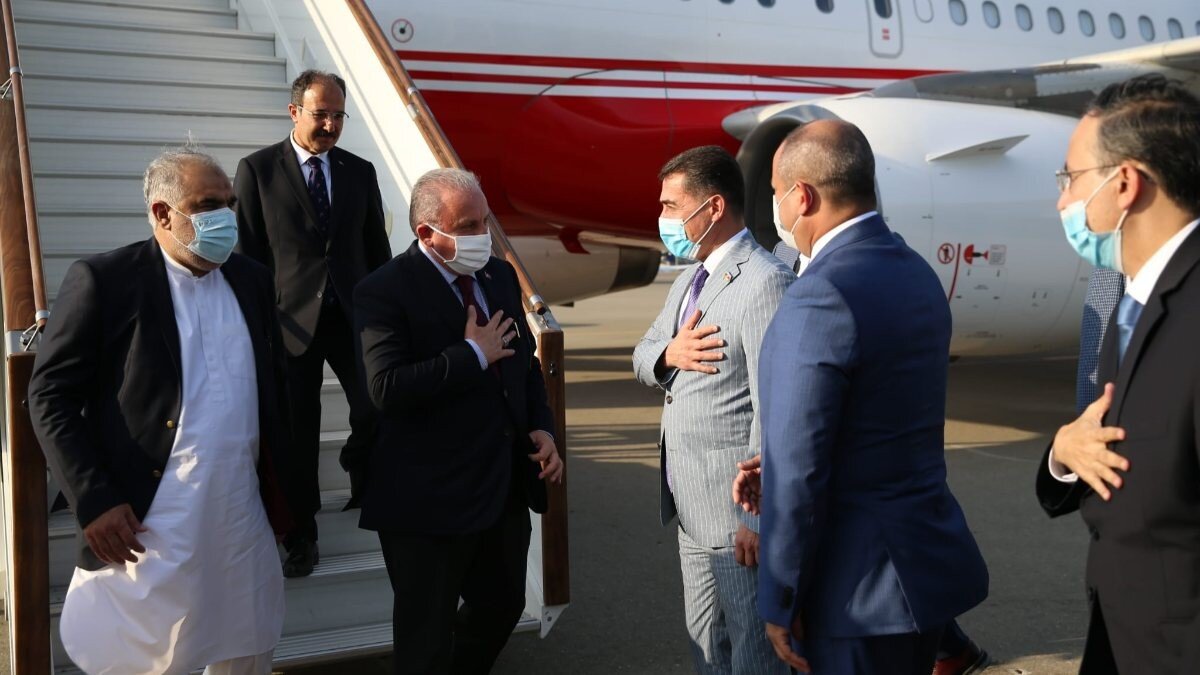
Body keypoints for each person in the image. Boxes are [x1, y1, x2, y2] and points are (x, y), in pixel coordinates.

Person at [27, 147, 293, 674]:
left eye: (229, 204)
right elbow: (50, 396)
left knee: (245, 643)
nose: (225, 217)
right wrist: (94, 499)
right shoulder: (106, 280)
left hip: (239, 513)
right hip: (149, 520)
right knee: (145, 656)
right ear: (162, 213)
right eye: (207, 204)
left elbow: (274, 391)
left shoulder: (252, 280)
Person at [739, 120, 988, 673]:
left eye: (777, 193)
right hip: (921, 572)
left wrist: (780, 598)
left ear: (802, 197)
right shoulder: (916, 272)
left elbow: (801, 470)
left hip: (855, 592)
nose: (776, 206)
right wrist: (774, 465)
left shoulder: (819, 295)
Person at [354, 168, 563, 674]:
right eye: (468, 226)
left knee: (503, 605)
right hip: (427, 498)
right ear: (427, 233)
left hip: (500, 487)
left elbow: (524, 367)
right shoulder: (383, 290)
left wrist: (542, 426)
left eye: (485, 221)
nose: (482, 235)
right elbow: (386, 388)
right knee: (425, 640)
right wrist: (471, 355)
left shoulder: (498, 276)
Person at [1036, 74, 1200, 674]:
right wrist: (1062, 452)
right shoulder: (1130, 303)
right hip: (1120, 633)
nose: (1063, 202)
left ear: (1125, 182)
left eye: (1071, 179)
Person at [632, 146, 793, 674]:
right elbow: (642, 354)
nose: (663, 219)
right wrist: (668, 354)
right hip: (689, 507)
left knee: (753, 652)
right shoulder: (687, 280)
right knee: (706, 643)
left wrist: (757, 516)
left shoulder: (765, 281)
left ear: (714, 207)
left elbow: (775, 408)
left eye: (671, 206)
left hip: (734, 514)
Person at [234, 69, 392, 577]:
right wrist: (257, 327)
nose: (330, 125)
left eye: (338, 115)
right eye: (321, 114)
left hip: (353, 317)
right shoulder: (258, 171)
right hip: (289, 325)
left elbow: (376, 250)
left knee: (376, 405)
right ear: (294, 111)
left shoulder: (359, 171)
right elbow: (248, 256)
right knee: (297, 435)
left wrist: (390, 311)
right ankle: (302, 534)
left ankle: (360, 470)